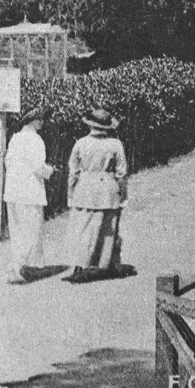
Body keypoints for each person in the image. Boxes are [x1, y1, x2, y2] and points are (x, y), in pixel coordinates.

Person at [65, 108, 130, 283]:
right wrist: (123, 195)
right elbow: (121, 173)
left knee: (84, 227)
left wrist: (71, 193)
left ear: (90, 125)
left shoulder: (80, 144)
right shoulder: (116, 144)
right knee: (108, 228)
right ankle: (104, 265)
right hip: (108, 189)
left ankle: (81, 264)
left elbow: (73, 171)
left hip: (85, 189)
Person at [3, 106, 57, 282]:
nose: (42, 122)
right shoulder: (36, 140)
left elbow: (8, 162)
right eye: (39, 119)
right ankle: (23, 268)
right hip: (29, 192)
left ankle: (19, 267)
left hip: (13, 191)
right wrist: (51, 171)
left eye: (42, 119)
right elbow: (38, 167)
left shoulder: (15, 139)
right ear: (29, 121)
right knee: (31, 230)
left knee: (18, 230)